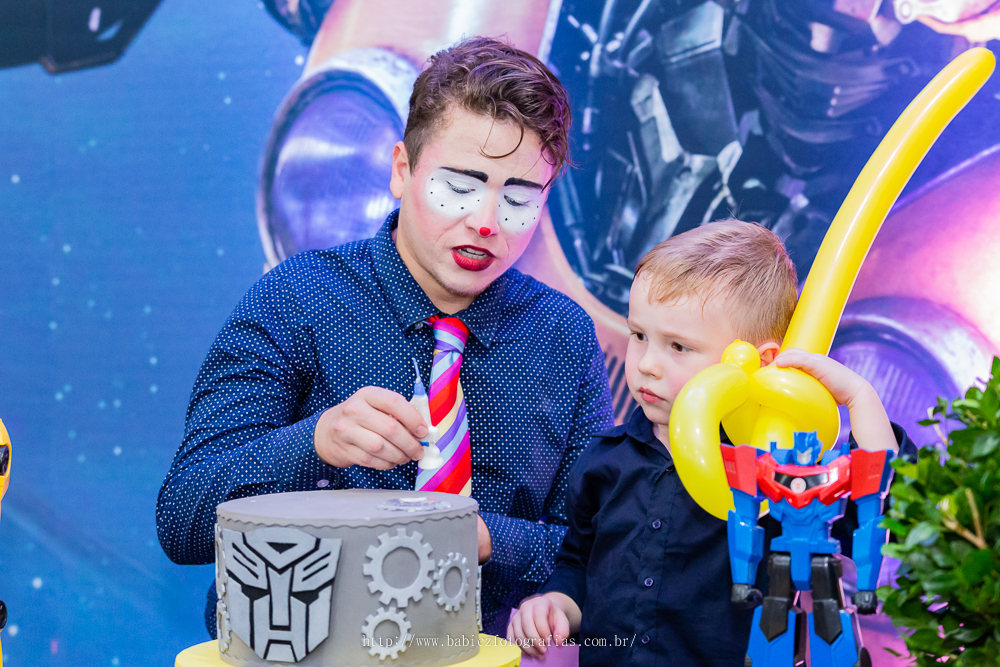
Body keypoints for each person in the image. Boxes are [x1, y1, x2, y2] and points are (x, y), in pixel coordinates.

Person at [155, 36, 614, 637]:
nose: (486, 220)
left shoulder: (564, 337)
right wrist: (314, 445)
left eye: (520, 198)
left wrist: (488, 539)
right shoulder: (298, 298)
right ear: (402, 170)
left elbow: (602, 549)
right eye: (461, 185)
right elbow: (183, 518)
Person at [508, 220, 911, 665]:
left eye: (678, 347)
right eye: (639, 335)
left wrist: (860, 399)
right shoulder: (603, 460)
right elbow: (578, 565)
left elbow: (876, 515)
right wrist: (555, 605)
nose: (647, 365)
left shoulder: (774, 477)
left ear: (757, 363)